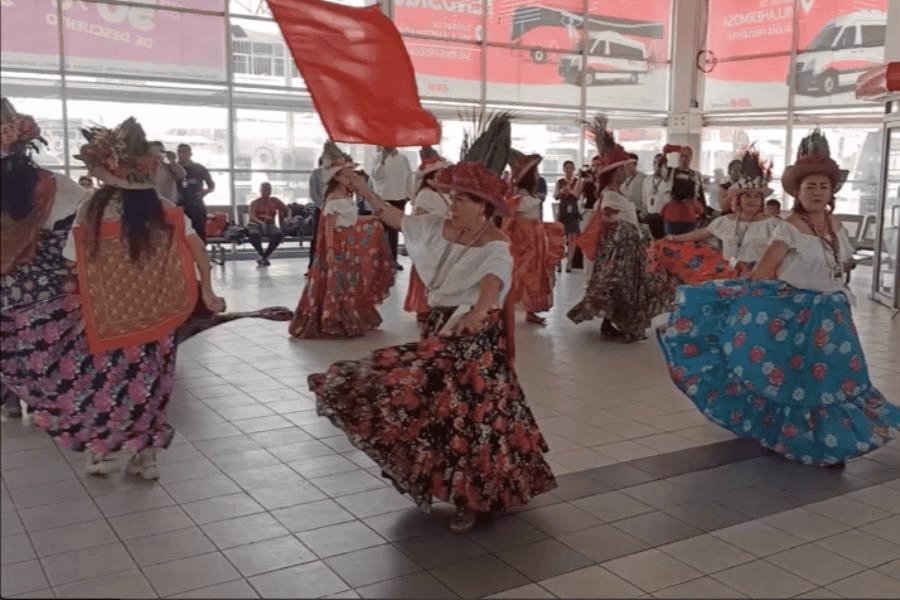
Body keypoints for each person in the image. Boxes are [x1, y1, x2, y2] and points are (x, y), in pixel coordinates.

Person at [309, 158, 557, 533]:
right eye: (453, 198)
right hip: (443, 325)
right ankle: (460, 489)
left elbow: (494, 277)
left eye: (462, 200)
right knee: (436, 408)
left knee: (474, 416)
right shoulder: (435, 228)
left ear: (484, 207)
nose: (453, 205)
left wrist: (479, 310)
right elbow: (394, 217)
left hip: (474, 336)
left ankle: (474, 496)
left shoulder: (495, 243)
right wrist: (361, 190)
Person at [657, 129, 898, 467]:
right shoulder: (788, 226)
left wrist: (841, 267)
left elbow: (839, 263)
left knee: (836, 376)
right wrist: (764, 300)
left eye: (823, 186)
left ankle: (833, 438)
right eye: (809, 186)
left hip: (834, 315)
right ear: (797, 192)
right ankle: (788, 435)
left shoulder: (836, 224)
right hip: (796, 314)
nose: (816, 192)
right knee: (795, 380)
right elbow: (765, 270)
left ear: (832, 192)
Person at [3, 116, 227, 477]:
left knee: (106, 386)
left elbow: (71, 261)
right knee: (152, 386)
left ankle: (102, 449)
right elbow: (197, 248)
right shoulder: (164, 209)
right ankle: (146, 456)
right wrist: (208, 290)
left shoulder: (92, 208)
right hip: (158, 316)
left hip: (106, 319)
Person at [1, 99, 84, 419]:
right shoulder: (52, 184)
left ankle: (10, 397)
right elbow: (83, 220)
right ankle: (42, 399)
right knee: (40, 340)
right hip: (44, 284)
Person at [569, 119, 673, 342]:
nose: (628, 170)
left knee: (626, 289)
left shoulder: (618, 191)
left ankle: (616, 324)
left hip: (629, 251)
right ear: (616, 172)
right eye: (625, 167)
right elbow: (606, 217)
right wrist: (616, 220)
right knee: (620, 289)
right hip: (619, 253)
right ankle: (617, 325)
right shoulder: (609, 193)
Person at [289, 143, 395, 338]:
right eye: (346, 175)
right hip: (339, 246)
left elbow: (350, 220)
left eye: (350, 175)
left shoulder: (344, 198)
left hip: (348, 246)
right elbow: (330, 226)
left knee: (348, 282)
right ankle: (336, 318)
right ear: (337, 177)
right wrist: (330, 249)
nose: (350, 179)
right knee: (338, 282)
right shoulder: (334, 199)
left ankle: (347, 316)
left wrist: (374, 218)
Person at [648, 150, 778, 285]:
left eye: (757, 196)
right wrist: (675, 238)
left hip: (759, 278)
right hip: (729, 276)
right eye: (746, 196)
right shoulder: (725, 221)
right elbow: (704, 233)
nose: (752, 200)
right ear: (738, 199)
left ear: (762, 201)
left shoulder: (773, 225)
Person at [504, 148, 566, 326]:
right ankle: (510, 309)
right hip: (524, 241)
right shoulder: (519, 197)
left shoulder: (528, 196)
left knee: (536, 275)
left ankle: (530, 309)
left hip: (535, 240)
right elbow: (510, 219)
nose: (538, 176)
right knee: (522, 275)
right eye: (536, 172)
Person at [403, 147, 449, 325]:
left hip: (443, 240)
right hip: (429, 241)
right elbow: (418, 220)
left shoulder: (444, 194)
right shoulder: (425, 195)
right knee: (427, 273)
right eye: (437, 175)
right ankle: (424, 307)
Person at [371, 145, 412, 270]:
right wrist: (383, 160)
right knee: (380, 231)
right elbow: (376, 176)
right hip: (383, 199)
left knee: (394, 232)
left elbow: (409, 177)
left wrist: (409, 195)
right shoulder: (377, 158)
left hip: (399, 198)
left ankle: (393, 260)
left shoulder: (403, 158)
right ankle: (379, 261)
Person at [176, 143, 214, 242]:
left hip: (196, 203)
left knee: (199, 231)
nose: (181, 154)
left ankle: (200, 254)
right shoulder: (174, 169)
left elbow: (211, 185)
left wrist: (205, 191)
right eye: (179, 151)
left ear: (190, 153)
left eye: (184, 151)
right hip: (179, 204)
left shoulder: (199, 168)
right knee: (180, 231)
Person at [247, 182, 288, 266]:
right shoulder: (255, 202)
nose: (267, 191)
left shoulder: (274, 201)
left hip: (270, 225)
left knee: (278, 234)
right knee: (253, 234)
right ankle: (263, 256)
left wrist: (289, 217)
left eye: (269, 189)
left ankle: (264, 256)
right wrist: (261, 223)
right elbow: (252, 216)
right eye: (264, 189)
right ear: (260, 190)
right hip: (255, 225)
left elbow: (287, 209)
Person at [554, 160, 583, 272]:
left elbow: (577, 195)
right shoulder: (560, 182)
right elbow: (555, 196)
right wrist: (561, 190)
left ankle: (569, 262)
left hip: (573, 211)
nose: (569, 170)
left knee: (572, 238)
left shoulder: (577, 181)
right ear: (563, 169)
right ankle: (559, 262)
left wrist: (570, 190)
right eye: (567, 168)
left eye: (571, 168)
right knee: (560, 237)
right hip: (562, 211)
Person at [641, 152, 670, 239]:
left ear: (666, 166)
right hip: (649, 217)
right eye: (655, 163)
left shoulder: (669, 181)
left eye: (661, 164)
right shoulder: (647, 180)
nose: (658, 166)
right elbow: (644, 199)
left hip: (664, 218)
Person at [308, 156, 326, 270]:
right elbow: (313, 193)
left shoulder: (336, 174)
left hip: (334, 209)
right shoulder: (316, 173)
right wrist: (322, 206)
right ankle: (312, 266)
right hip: (320, 209)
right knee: (316, 238)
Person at [621, 152, 646, 217]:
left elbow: (646, 197)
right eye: (625, 163)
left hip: (637, 212)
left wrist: (643, 211)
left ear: (635, 164)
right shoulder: (620, 177)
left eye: (629, 164)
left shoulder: (643, 178)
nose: (626, 166)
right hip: (622, 211)